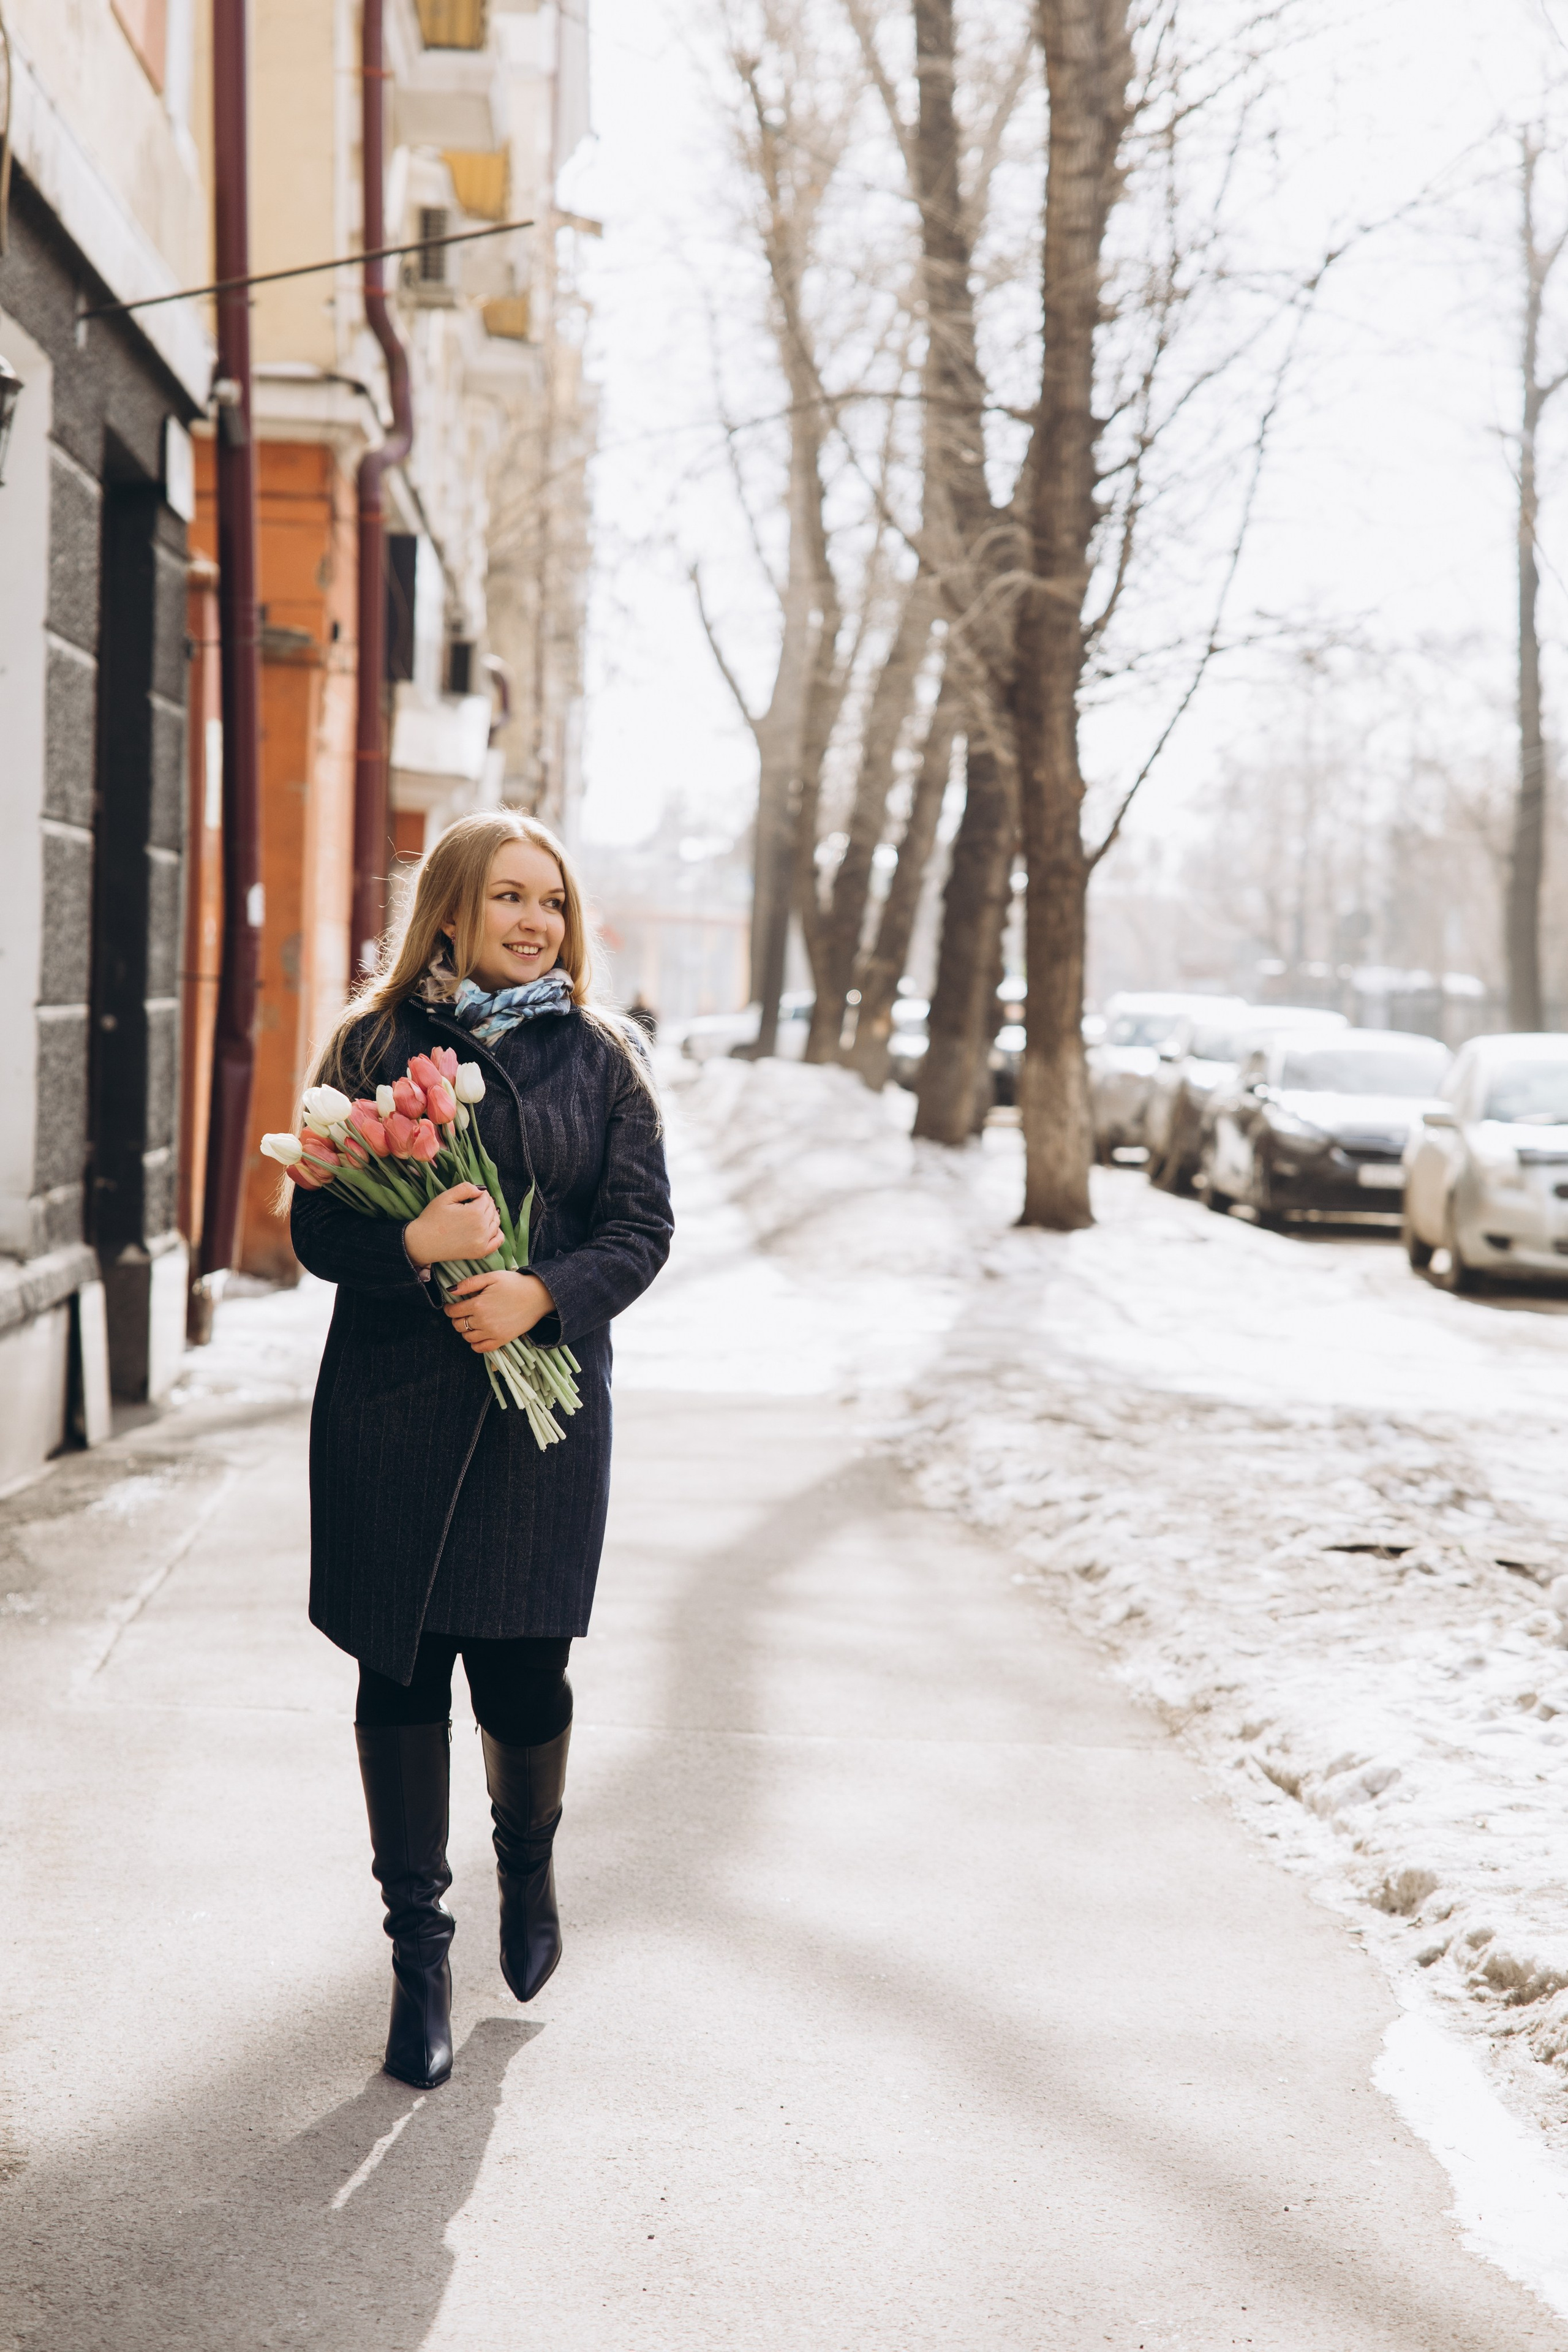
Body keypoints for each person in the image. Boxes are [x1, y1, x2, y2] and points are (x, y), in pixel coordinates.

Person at [290, 810, 673, 2090]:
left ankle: (525, 1862)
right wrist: (411, 1246)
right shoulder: (372, 1044)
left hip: (537, 1421)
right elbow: (319, 1231)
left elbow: (639, 1228)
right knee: (400, 1675)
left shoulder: (600, 1059)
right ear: (449, 910)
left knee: (521, 1679)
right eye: (508, 897)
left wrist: (538, 1296)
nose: (532, 922)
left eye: (551, 902)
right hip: (391, 1412)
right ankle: (417, 1964)